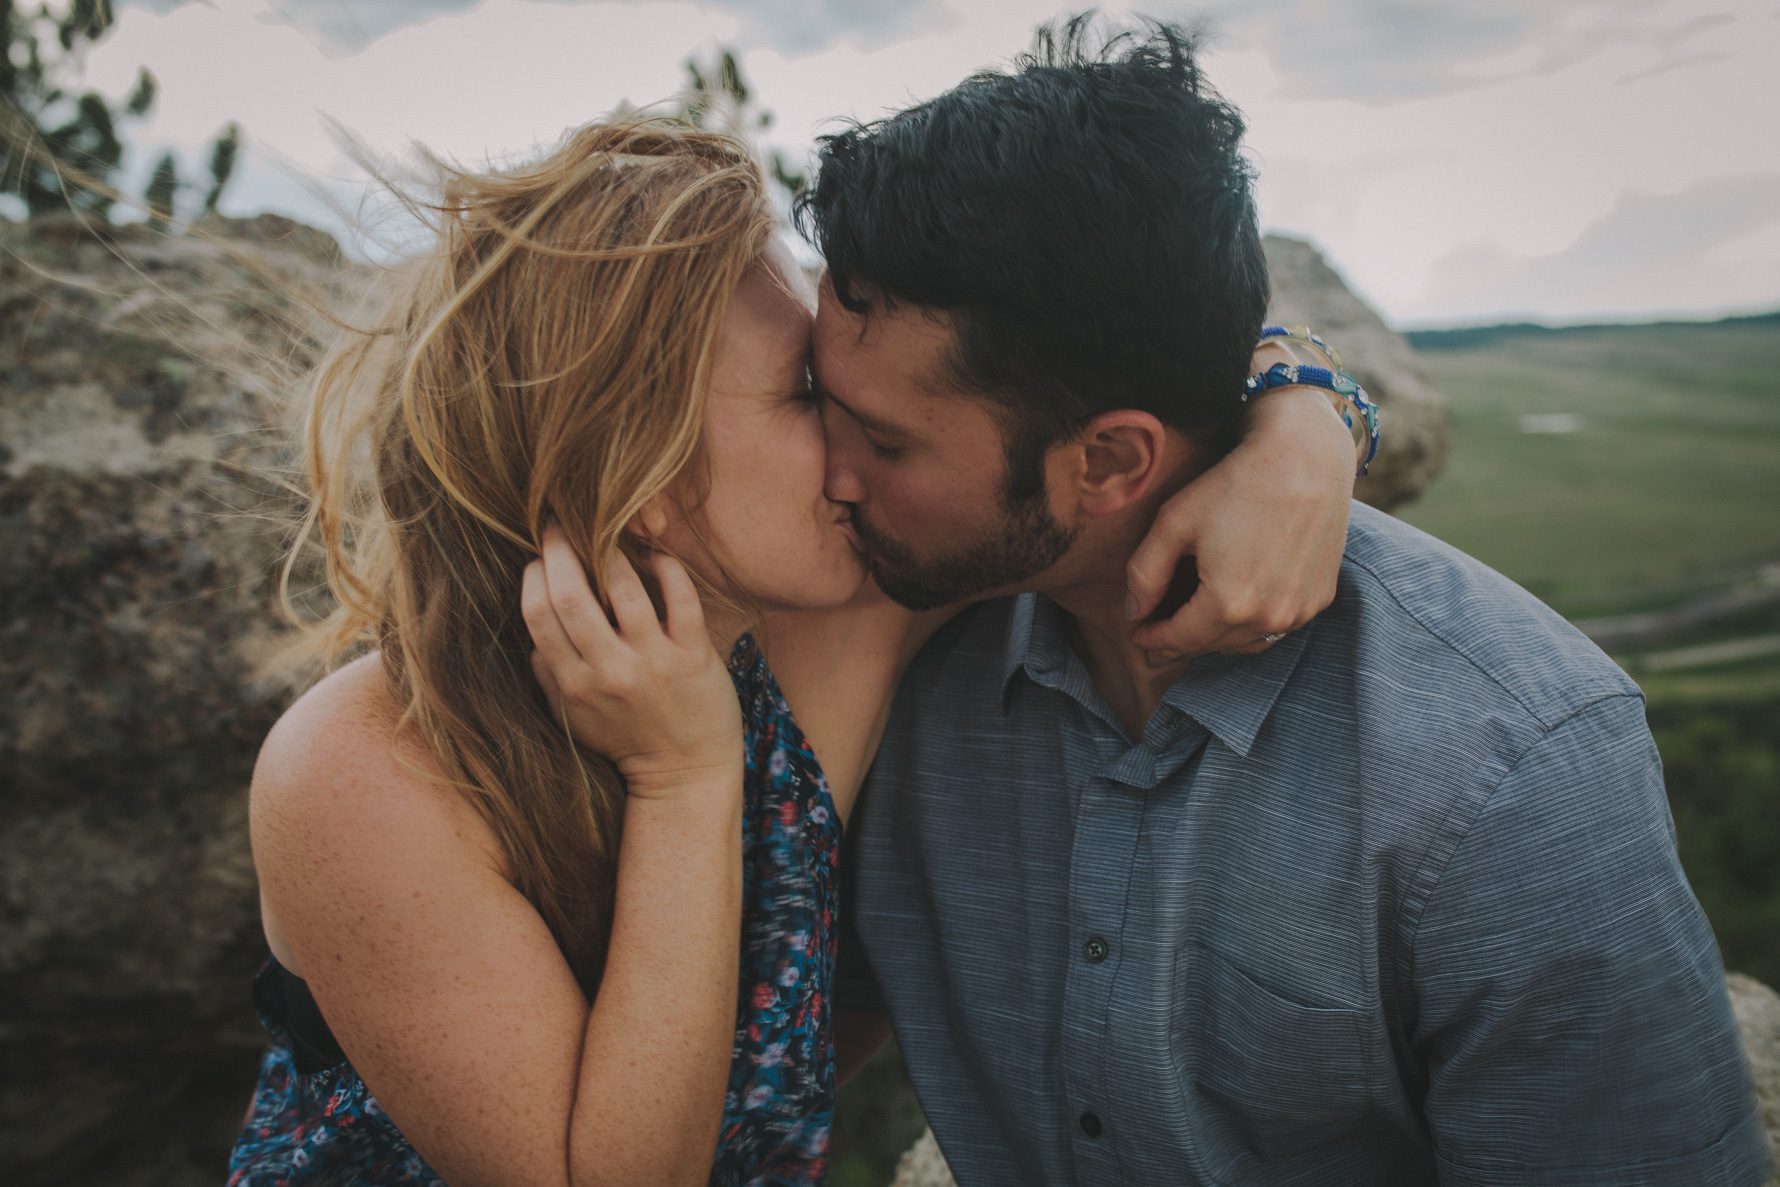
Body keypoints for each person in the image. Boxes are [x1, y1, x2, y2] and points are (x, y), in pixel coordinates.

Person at [530, 17, 1772, 1187]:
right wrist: (1308, 398)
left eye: (886, 442)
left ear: (1111, 462)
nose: (830, 479)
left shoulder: (1510, 776)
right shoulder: (894, 629)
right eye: (817, 401)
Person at [226, 108, 1361, 1185]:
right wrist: (681, 778)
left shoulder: (832, 623)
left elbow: (1097, 380)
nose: (853, 439)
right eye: (802, 394)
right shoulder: (362, 771)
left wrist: (1304, 416)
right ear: (640, 470)